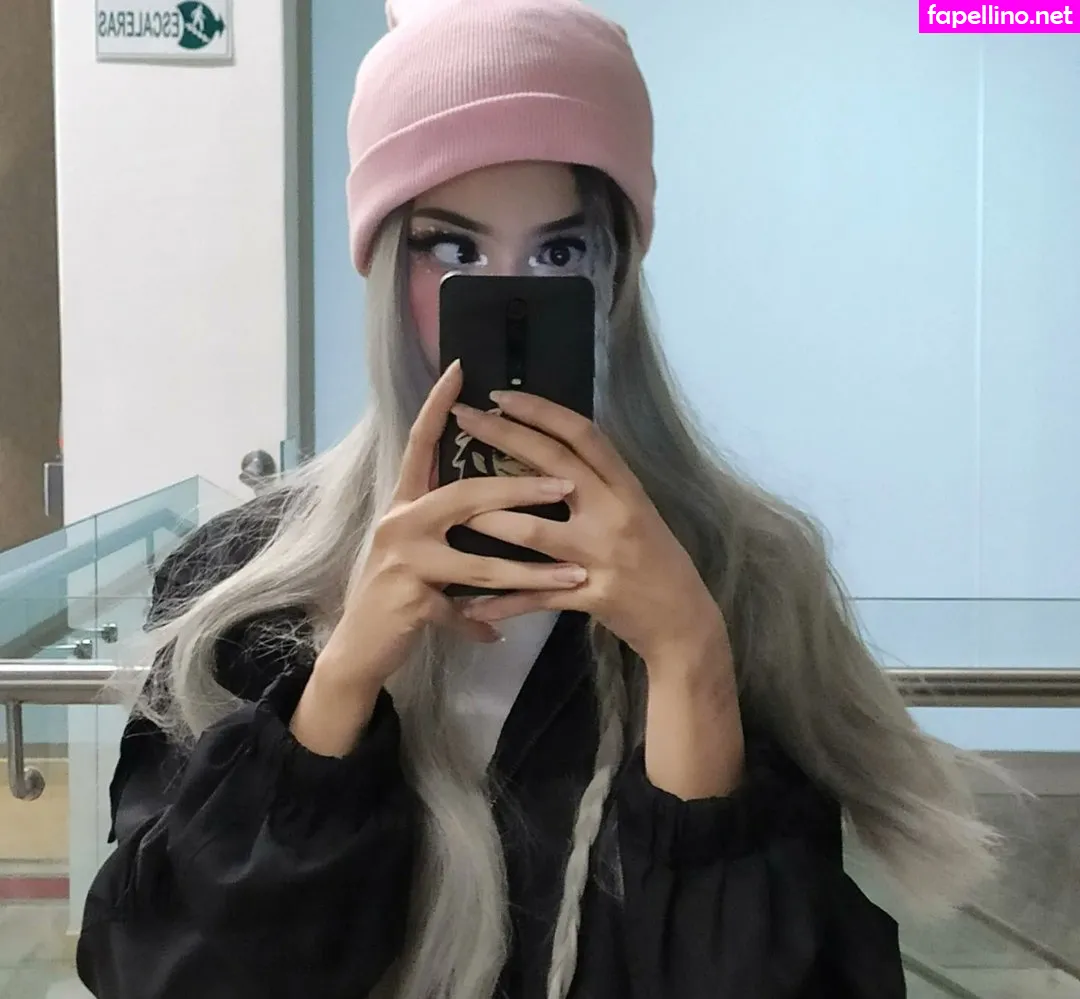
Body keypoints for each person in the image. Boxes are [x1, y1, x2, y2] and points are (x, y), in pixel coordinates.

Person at [76, 1, 1000, 996]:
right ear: (383, 266)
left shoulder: (745, 574)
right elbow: (159, 970)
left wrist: (690, 660)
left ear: (618, 275)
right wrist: (338, 683)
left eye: (560, 253)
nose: (511, 298)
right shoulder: (245, 579)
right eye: (453, 250)